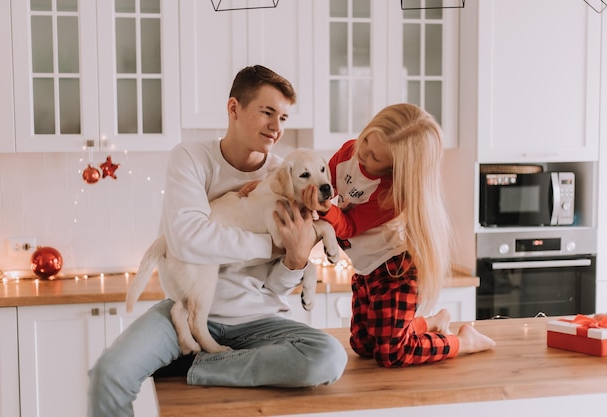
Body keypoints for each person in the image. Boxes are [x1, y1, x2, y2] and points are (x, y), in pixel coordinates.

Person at [88, 65, 347, 417]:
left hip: (259, 318)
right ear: (234, 108)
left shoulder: (288, 174)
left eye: (283, 117)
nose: (276, 127)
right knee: (109, 374)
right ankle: (196, 347)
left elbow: (274, 287)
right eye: (267, 112)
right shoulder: (192, 158)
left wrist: (296, 260)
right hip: (187, 308)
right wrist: (272, 246)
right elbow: (187, 239)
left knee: (328, 357)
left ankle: (196, 365)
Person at [301, 103, 495, 368]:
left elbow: (348, 226)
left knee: (391, 354)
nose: (363, 154)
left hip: (394, 268)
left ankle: (466, 342)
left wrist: (323, 209)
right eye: (366, 139)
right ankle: (430, 323)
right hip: (366, 267)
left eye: (375, 158)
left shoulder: (391, 194)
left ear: (395, 168)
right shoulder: (350, 151)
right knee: (363, 345)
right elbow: (327, 184)